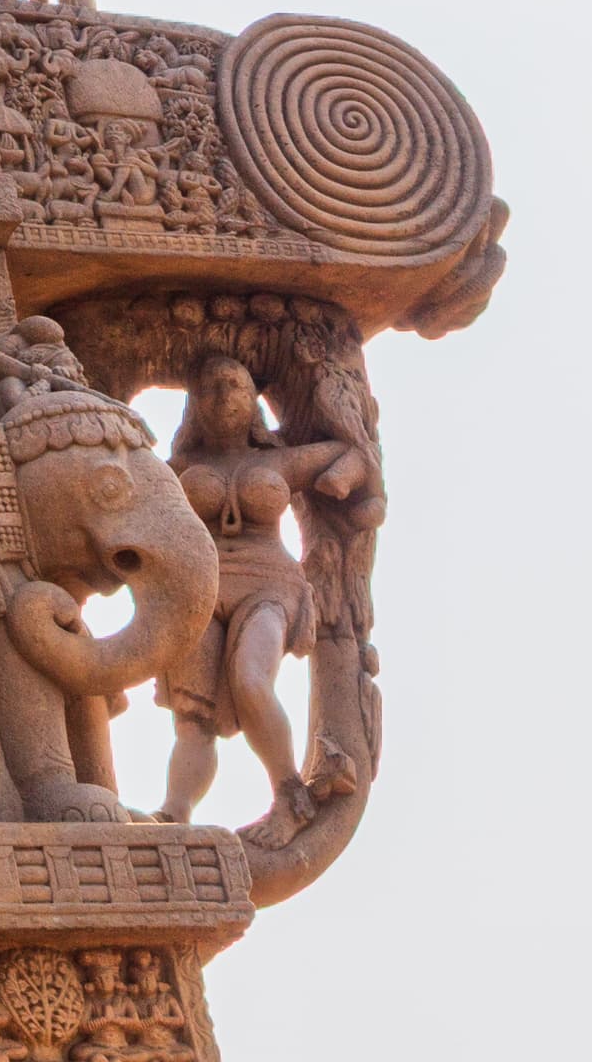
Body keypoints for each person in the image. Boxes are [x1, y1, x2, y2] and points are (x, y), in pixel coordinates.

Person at [160, 355, 368, 829]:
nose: (221, 396)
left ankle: (288, 791)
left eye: (233, 385)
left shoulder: (280, 461)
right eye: (209, 388)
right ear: (195, 406)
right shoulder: (176, 469)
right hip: (200, 587)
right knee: (192, 716)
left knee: (251, 676)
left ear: (253, 399)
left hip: (268, 583)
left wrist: (350, 480)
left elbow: (352, 451)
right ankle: (175, 812)